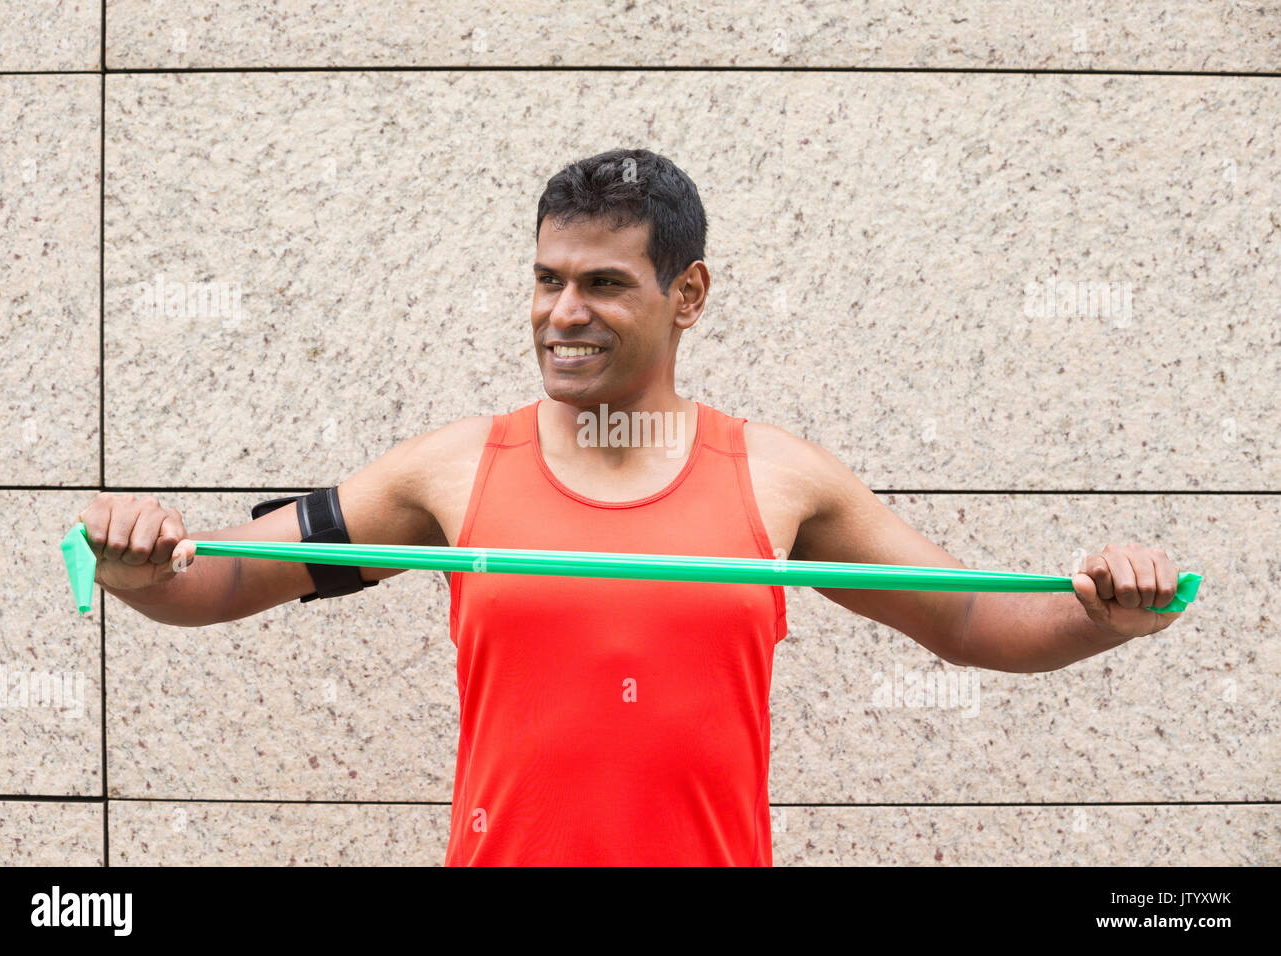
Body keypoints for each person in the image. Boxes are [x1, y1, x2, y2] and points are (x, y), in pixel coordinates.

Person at [77, 148, 1187, 866]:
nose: (563, 311)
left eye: (603, 283)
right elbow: (222, 578)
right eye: (547, 278)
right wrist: (139, 567)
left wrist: (1104, 611)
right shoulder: (456, 470)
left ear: (686, 294)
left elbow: (968, 618)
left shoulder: (777, 478)